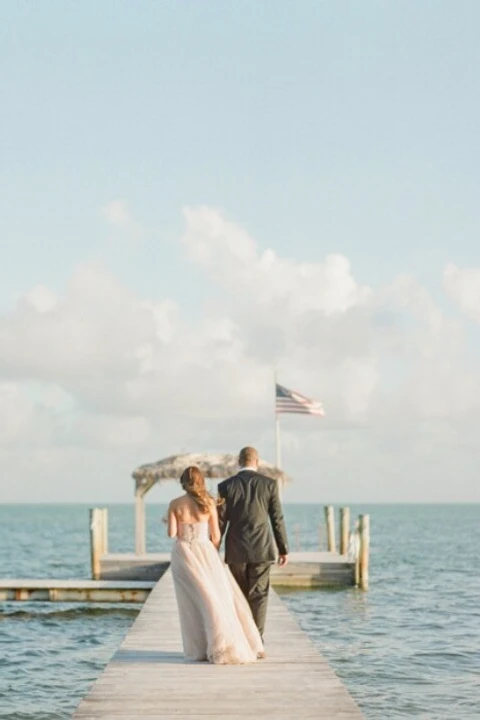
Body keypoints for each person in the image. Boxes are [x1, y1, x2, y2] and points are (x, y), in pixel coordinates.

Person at [168, 465, 263, 664]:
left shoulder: (175, 503)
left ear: (183, 483)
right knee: (216, 596)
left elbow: (172, 534)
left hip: (184, 552)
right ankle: (221, 641)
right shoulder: (209, 502)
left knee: (191, 602)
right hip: (206, 551)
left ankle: (199, 649)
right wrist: (211, 549)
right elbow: (216, 535)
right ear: (201, 481)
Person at [217, 446, 289, 647]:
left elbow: (220, 520)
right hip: (262, 548)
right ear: (257, 462)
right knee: (258, 595)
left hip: (235, 549)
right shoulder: (269, 484)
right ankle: (256, 641)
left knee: (238, 595)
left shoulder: (226, 486)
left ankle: (241, 638)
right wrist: (283, 548)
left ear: (239, 462)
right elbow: (277, 518)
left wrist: (214, 547)